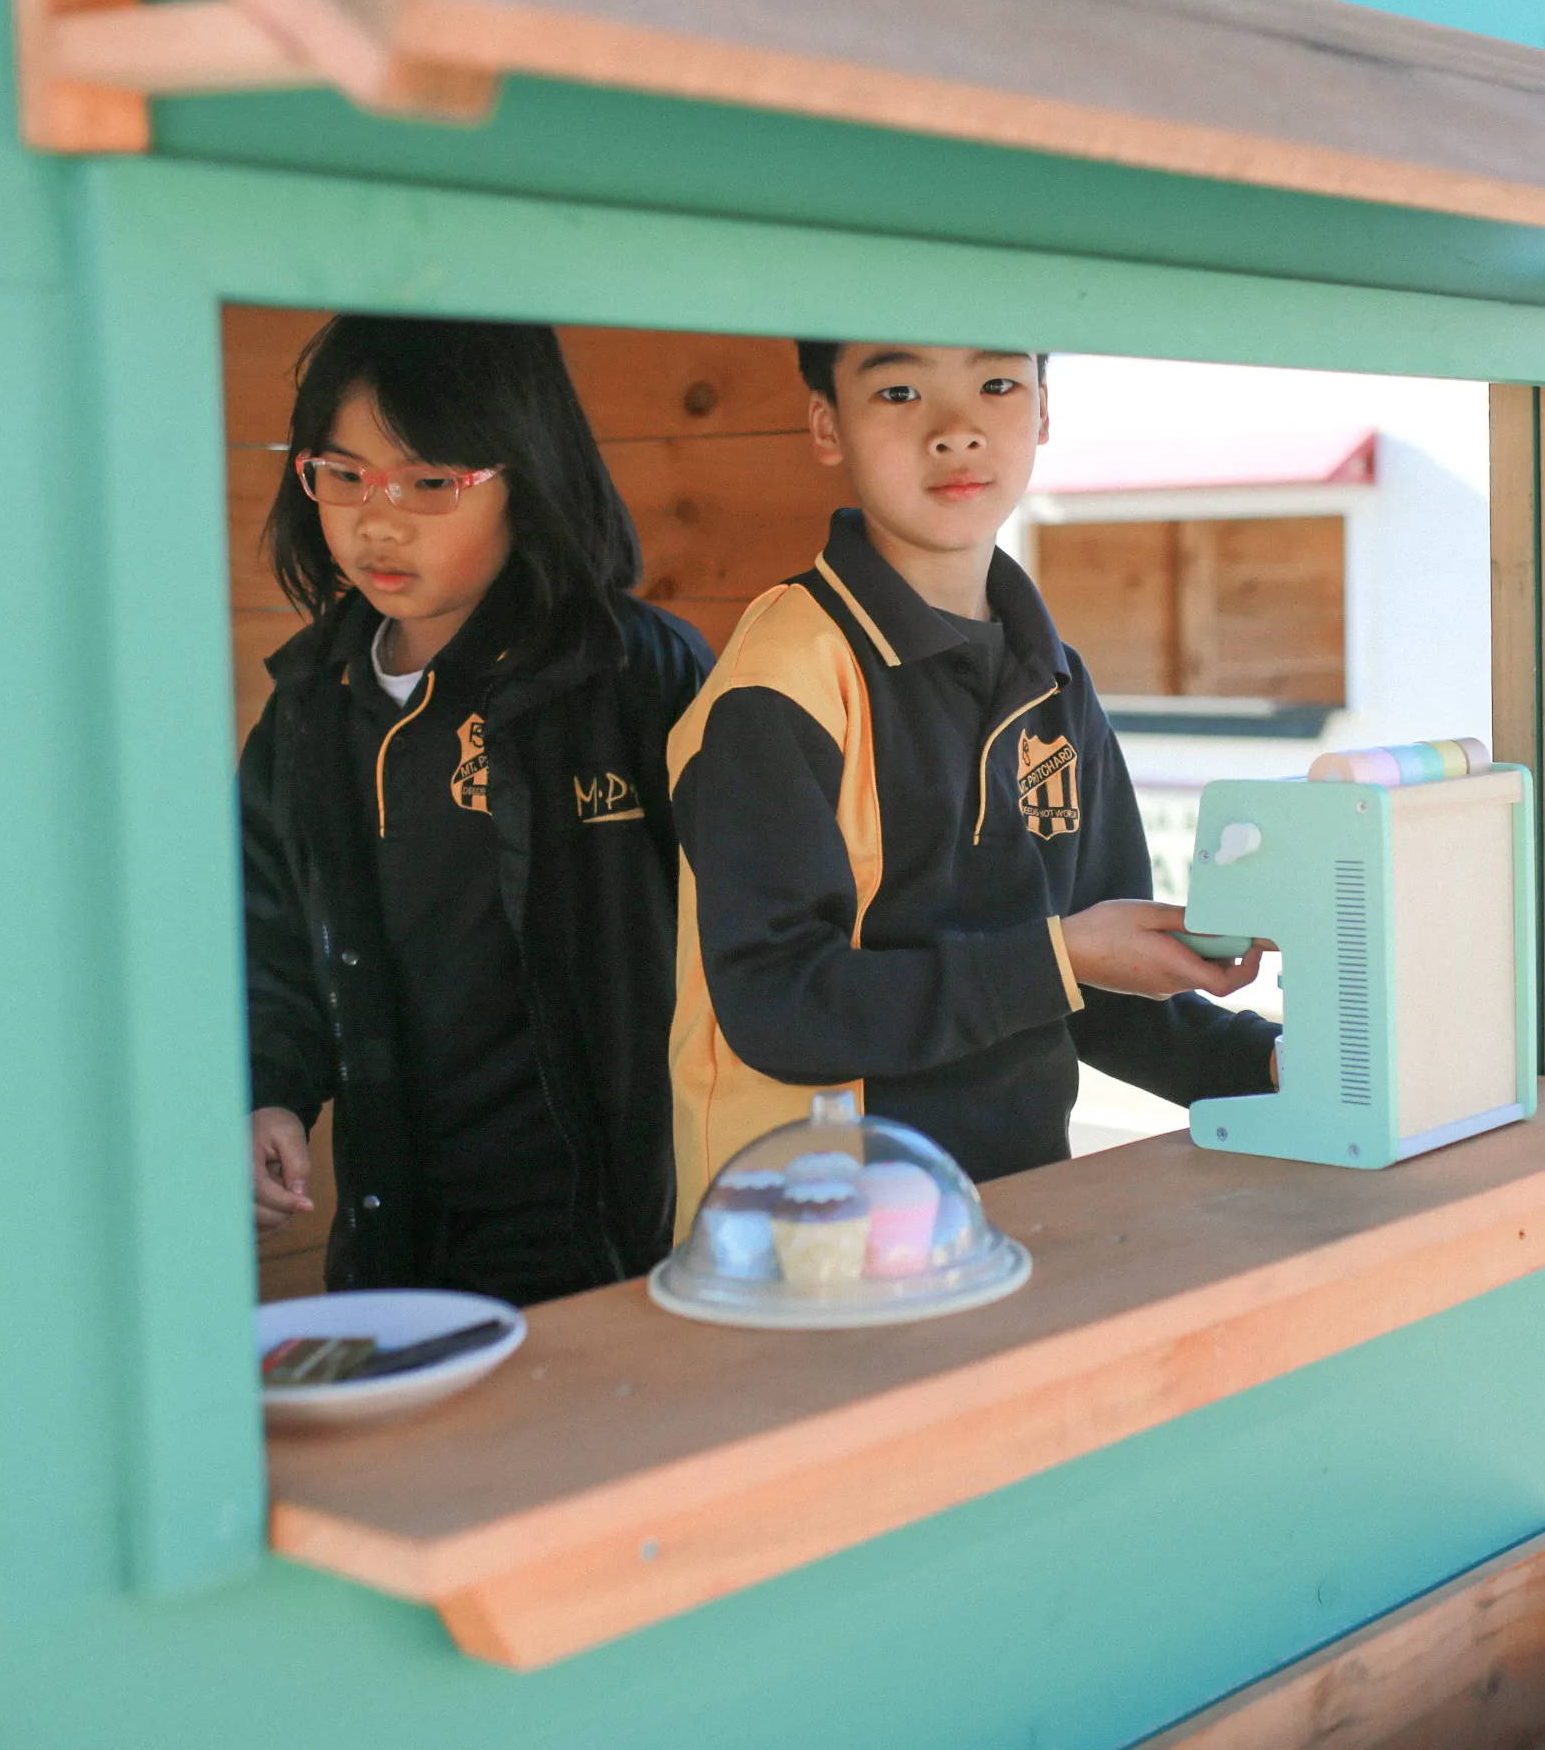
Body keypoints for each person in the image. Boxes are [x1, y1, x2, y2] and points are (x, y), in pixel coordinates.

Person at [666, 340, 1278, 1224]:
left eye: (996, 385)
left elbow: (1095, 998)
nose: (956, 432)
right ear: (827, 424)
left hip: (1011, 1216)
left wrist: (1278, 1066)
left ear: (1041, 410)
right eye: (901, 391)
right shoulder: (781, 685)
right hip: (812, 1241)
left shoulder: (1055, 677)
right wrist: (1062, 957)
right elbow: (780, 1008)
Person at [243, 315, 710, 1303]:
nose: (378, 519)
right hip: (401, 1240)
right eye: (343, 473)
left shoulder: (637, 675)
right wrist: (265, 1093)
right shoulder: (310, 709)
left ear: (528, 475)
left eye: (428, 482)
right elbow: (267, 941)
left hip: (629, 1239)